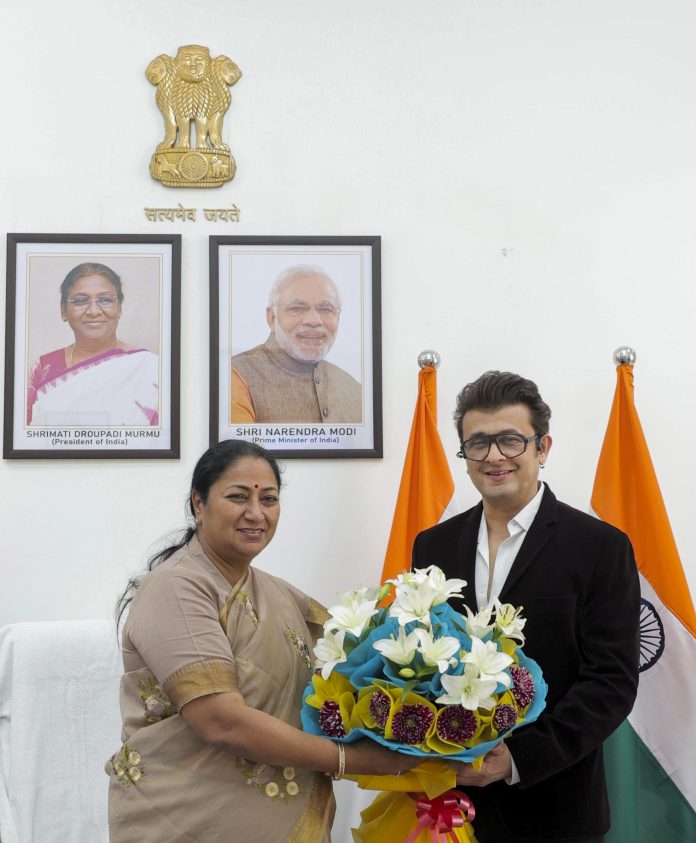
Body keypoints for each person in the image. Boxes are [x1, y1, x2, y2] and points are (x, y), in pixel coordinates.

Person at [108, 440, 417, 843]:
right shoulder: (176, 587)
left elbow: (353, 664)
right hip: (185, 819)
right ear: (198, 504)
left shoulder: (281, 596)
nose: (256, 513)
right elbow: (221, 721)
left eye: (268, 499)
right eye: (237, 496)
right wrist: (353, 761)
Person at [412, 371, 640, 843]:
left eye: (510, 441)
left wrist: (517, 759)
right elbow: (418, 662)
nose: (494, 456)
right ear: (465, 455)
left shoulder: (600, 547)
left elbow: (612, 682)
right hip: (447, 808)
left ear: (543, 448)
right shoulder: (431, 545)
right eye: (478, 443)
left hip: (556, 808)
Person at [26, 262, 159, 426]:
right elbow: (21, 437)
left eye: (105, 300)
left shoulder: (150, 369)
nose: (94, 311)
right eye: (80, 301)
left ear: (119, 308)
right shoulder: (43, 369)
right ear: (63, 310)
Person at [230, 264, 362, 423]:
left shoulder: (355, 389)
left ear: (338, 318)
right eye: (297, 308)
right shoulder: (235, 375)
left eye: (326, 309)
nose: (314, 321)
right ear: (272, 318)